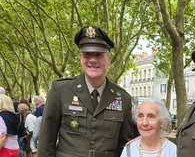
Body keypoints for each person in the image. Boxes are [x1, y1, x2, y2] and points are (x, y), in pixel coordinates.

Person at [38, 25, 133, 157]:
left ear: (109, 60)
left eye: (99, 55)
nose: (92, 60)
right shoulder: (61, 90)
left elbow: (125, 146)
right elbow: (46, 141)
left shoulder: (123, 98)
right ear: (80, 58)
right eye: (87, 54)